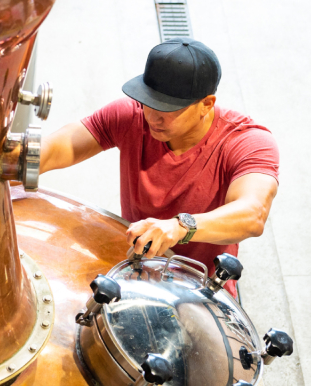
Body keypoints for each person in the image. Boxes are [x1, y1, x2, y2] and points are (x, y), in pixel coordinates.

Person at [40, 38, 279, 286]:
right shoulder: (132, 115)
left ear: (206, 104)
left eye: (167, 108)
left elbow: (253, 213)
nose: (152, 117)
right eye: (148, 102)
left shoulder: (246, 141)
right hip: (135, 268)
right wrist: (20, 156)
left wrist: (180, 228)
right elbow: (61, 145)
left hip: (198, 288)